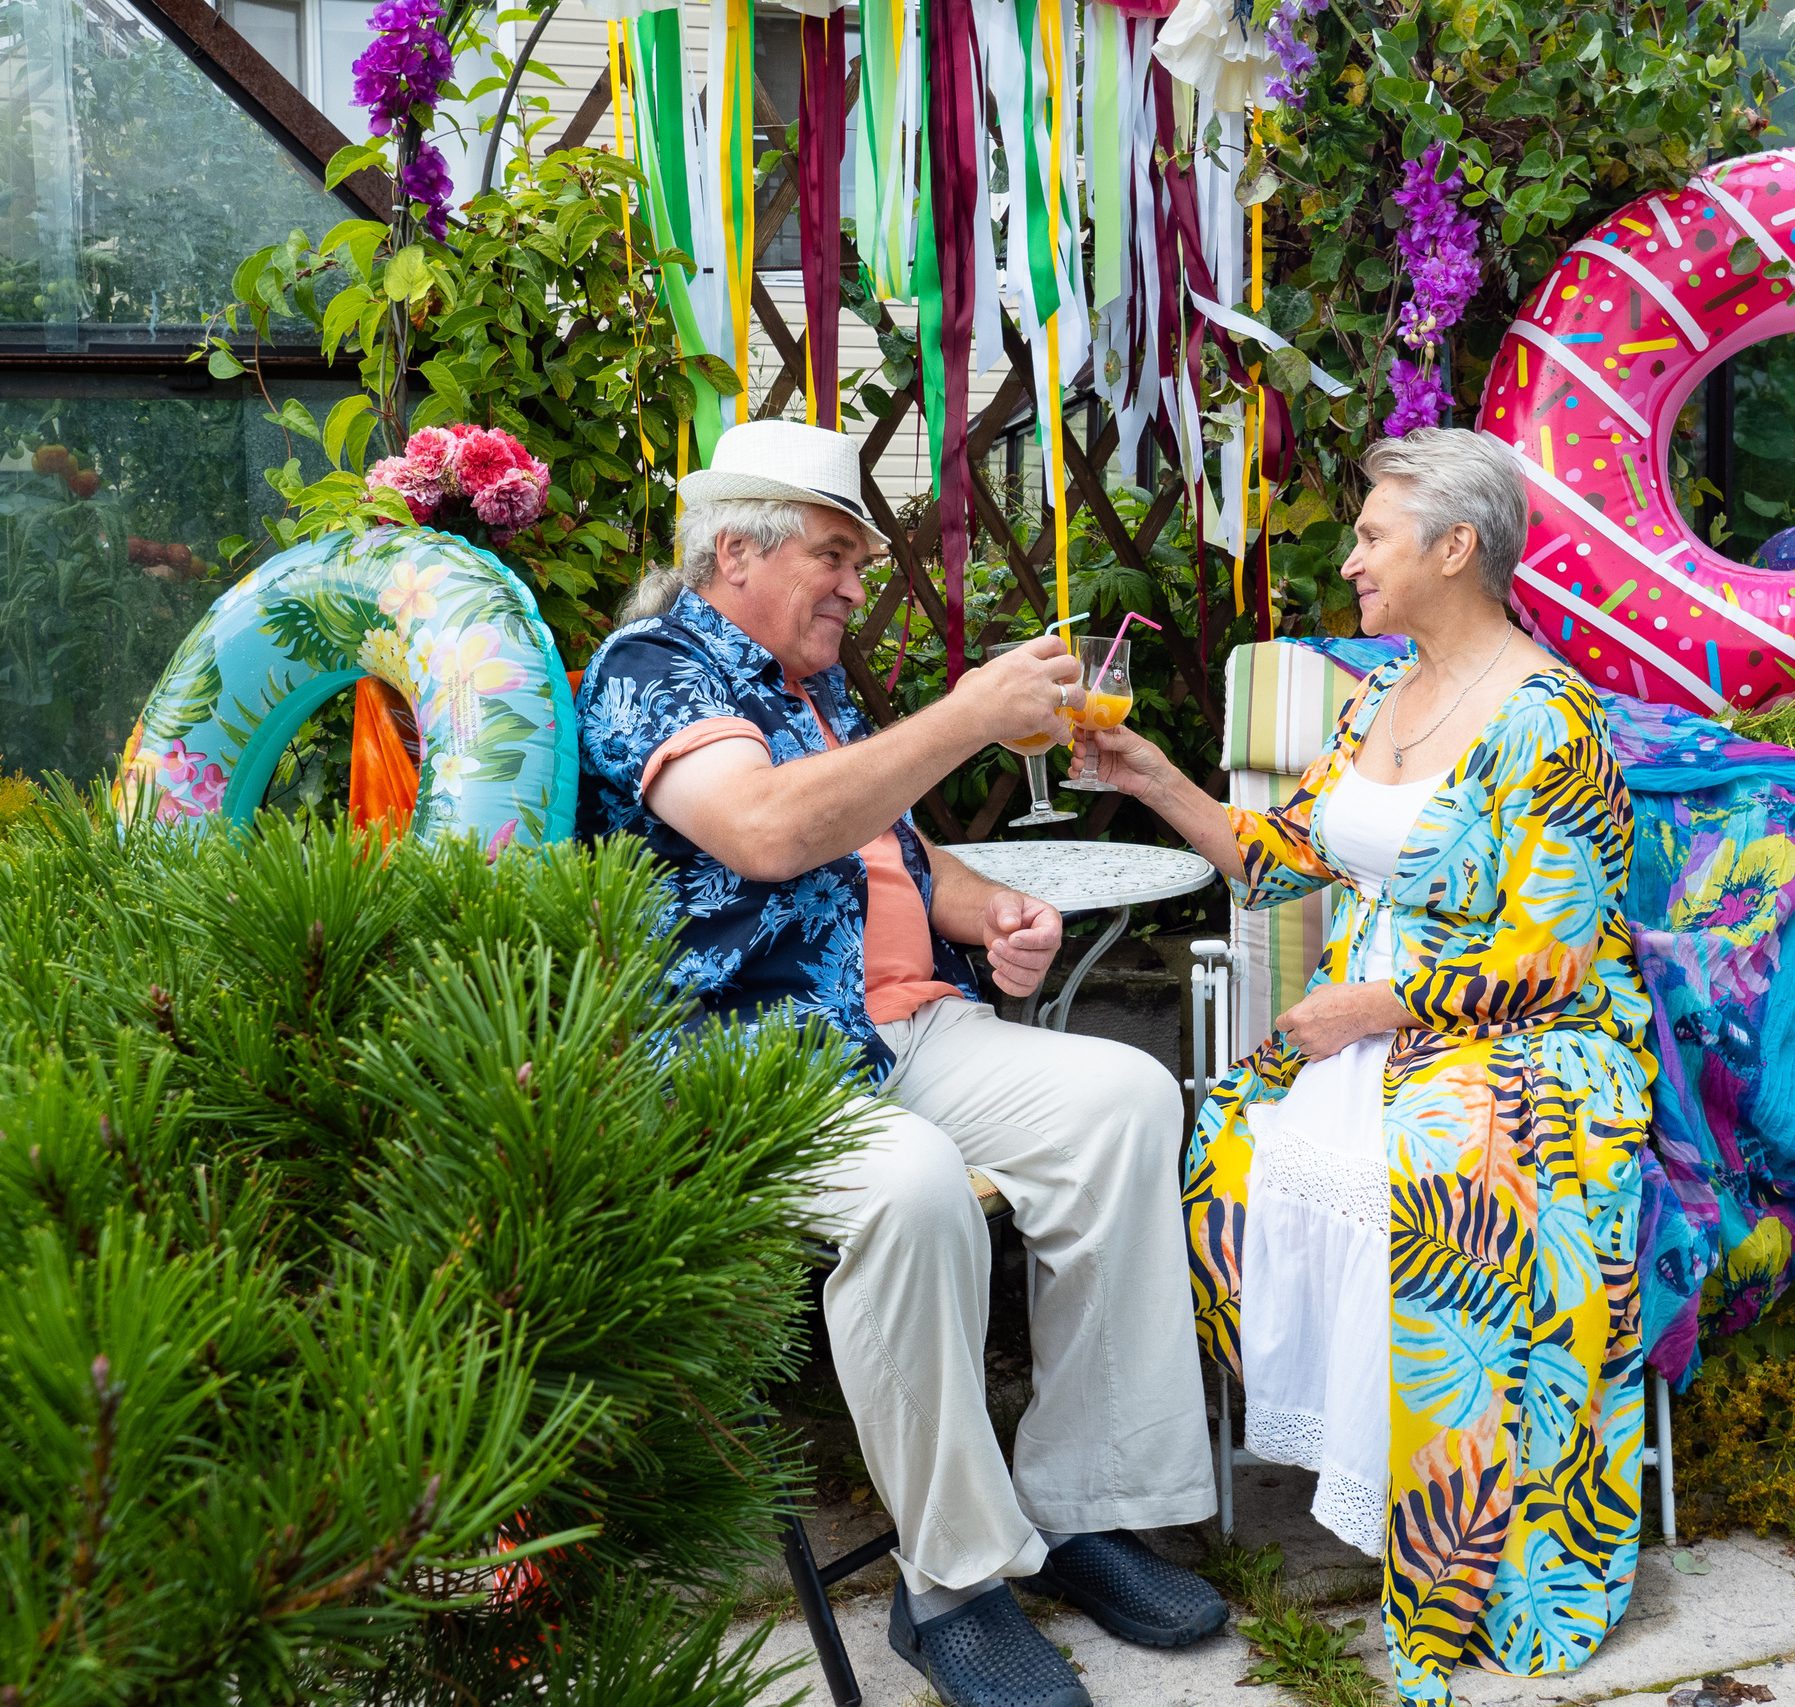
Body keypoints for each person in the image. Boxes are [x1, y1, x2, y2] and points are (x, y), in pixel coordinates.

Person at [576, 419, 1226, 1707]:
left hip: (892, 1027)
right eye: (836, 556)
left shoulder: (818, 689)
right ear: (735, 550)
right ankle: (955, 1583)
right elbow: (763, 832)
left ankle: (1079, 1507)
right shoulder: (656, 672)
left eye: (862, 565)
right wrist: (968, 716)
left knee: (1125, 1098)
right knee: (913, 1185)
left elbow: (903, 858)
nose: (855, 588)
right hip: (741, 1064)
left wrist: (993, 915)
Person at [1078, 427, 1660, 1705]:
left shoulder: (1548, 719)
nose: (1348, 561)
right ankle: (1354, 1465)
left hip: (1522, 1045)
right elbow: (1284, 854)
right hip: (1371, 1023)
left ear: (1457, 548)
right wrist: (1153, 775)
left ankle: (1453, 1558)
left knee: (1444, 1177)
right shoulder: (1375, 696)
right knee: (1224, 1151)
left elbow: (1553, 956)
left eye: (1371, 537)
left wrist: (1370, 1011)